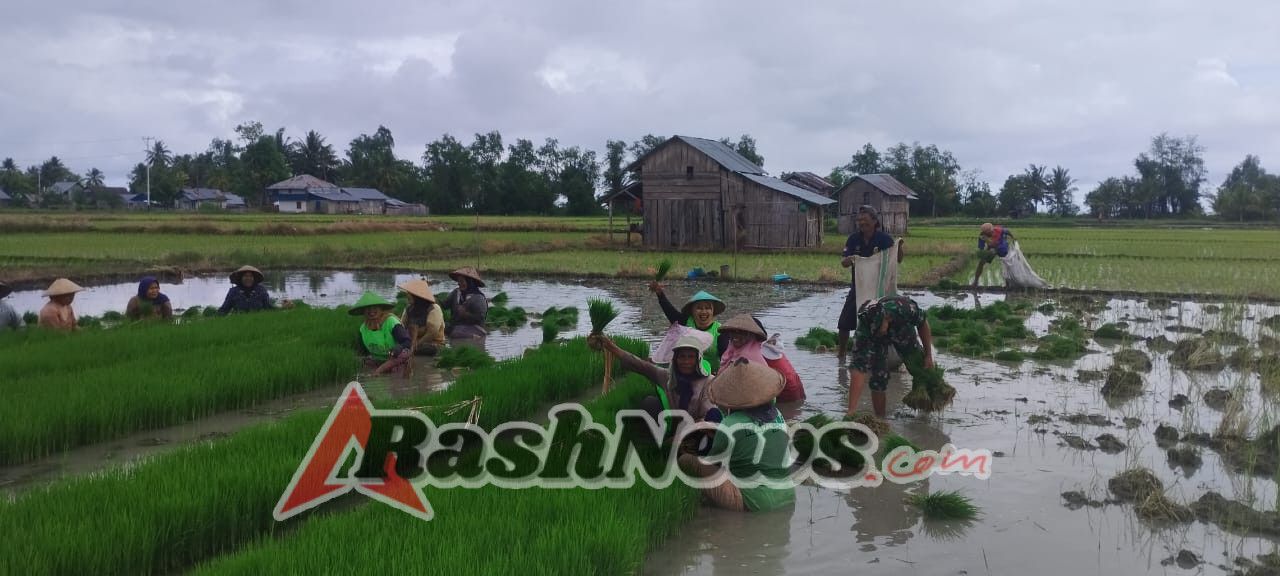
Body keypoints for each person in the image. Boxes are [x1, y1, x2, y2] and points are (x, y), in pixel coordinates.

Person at [678, 358, 796, 513]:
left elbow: (714, 461)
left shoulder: (731, 423)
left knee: (687, 461)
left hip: (752, 502)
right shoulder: (778, 416)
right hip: (788, 495)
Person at [589, 330, 719, 426]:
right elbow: (640, 365)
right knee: (650, 402)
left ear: (698, 360)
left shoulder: (708, 382)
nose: (686, 361)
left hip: (700, 428)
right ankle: (659, 440)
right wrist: (610, 346)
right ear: (675, 359)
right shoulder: (668, 377)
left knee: (714, 417)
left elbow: (707, 416)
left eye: (691, 357)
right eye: (682, 357)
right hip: (675, 425)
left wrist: (685, 433)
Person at [846, 295, 935, 419]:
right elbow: (858, 367)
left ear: (887, 318)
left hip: (901, 328)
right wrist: (851, 410)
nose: (877, 330)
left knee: (920, 367)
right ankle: (881, 419)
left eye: (878, 327)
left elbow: (922, 323)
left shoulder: (904, 308)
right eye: (874, 328)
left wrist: (928, 355)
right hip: (876, 341)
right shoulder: (865, 325)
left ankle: (927, 410)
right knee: (879, 377)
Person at [838, 205, 904, 359]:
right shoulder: (854, 239)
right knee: (844, 322)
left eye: (865, 220)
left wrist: (899, 247)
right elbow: (843, 263)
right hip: (859, 287)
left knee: (884, 322)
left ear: (874, 221)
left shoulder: (883, 239)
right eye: (859, 220)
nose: (861, 223)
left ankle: (886, 354)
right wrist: (851, 259)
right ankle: (841, 354)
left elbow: (898, 260)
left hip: (880, 288)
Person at [648, 283, 729, 374]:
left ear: (713, 311)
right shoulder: (686, 322)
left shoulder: (720, 331)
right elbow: (670, 312)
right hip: (686, 371)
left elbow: (725, 358)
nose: (704, 312)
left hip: (711, 374)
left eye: (708, 308)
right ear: (692, 311)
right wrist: (660, 294)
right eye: (699, 308)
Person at [350, 291, 413, 377]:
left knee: (404, 354)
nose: (371, 311)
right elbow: (362, 352)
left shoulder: (391, 322)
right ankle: (378, 370)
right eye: (368, 308)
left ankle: (379, 371)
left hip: (395, 358)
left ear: (381, 309)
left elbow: (407, 341)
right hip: (377, 360)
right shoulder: (363, 329)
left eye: (375, 307)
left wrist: (399, 347)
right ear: (363, 311)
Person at [398, 278, 446, 356]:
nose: (407, 295)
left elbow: (431, 333)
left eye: (409, 293)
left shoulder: (434, 309)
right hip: (413, 341)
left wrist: (414, 345)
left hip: (432, 343)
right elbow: (401, 326)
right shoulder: (409, 308)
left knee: (406, 350)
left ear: (417, 296)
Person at [441, 267, 489, 340]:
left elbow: (480, 318)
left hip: (473, 328)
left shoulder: (479, 298)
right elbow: (444, 305)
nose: (459, 283)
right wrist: (434, 300)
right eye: (458, 281)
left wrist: (466, 314)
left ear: (470, 282)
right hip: (455, 326)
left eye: (462, 281)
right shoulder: (456, 293)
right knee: (439, 326)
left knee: (456, 334)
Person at [972, 222, 1012, 287]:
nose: (990, 233)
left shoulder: (999, 230)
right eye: (987, 233)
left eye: (990, 232)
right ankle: (976, 282)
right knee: (981, 262)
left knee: (1006, 264)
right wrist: (982, 253)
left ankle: (1007, 283)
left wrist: (1013, 238)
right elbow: (981, 248)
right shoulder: (982, 236)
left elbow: (1007, 231)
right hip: (992, 248)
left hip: (1002, 247)